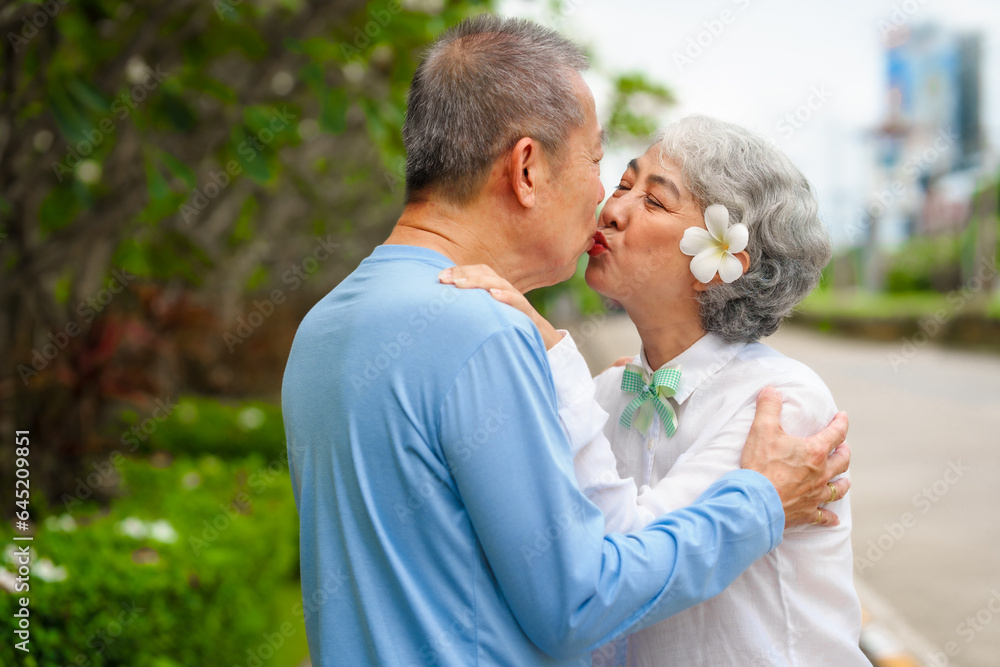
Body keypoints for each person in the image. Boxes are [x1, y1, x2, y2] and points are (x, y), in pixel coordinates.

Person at [282, 15, 850, 666]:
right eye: (600, 163)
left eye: (649, 196)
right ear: (527, 168)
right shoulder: (483, 330)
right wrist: (762, 501)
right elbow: (582, 600)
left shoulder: (324, 323)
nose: (606, 200)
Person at [441, 115, 867, 665]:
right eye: (622, 184)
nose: (612, 211)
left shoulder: (779, 402)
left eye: (655, 202)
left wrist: (551, 351)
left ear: (718, 264)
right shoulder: (606, 394)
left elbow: (623, 562)